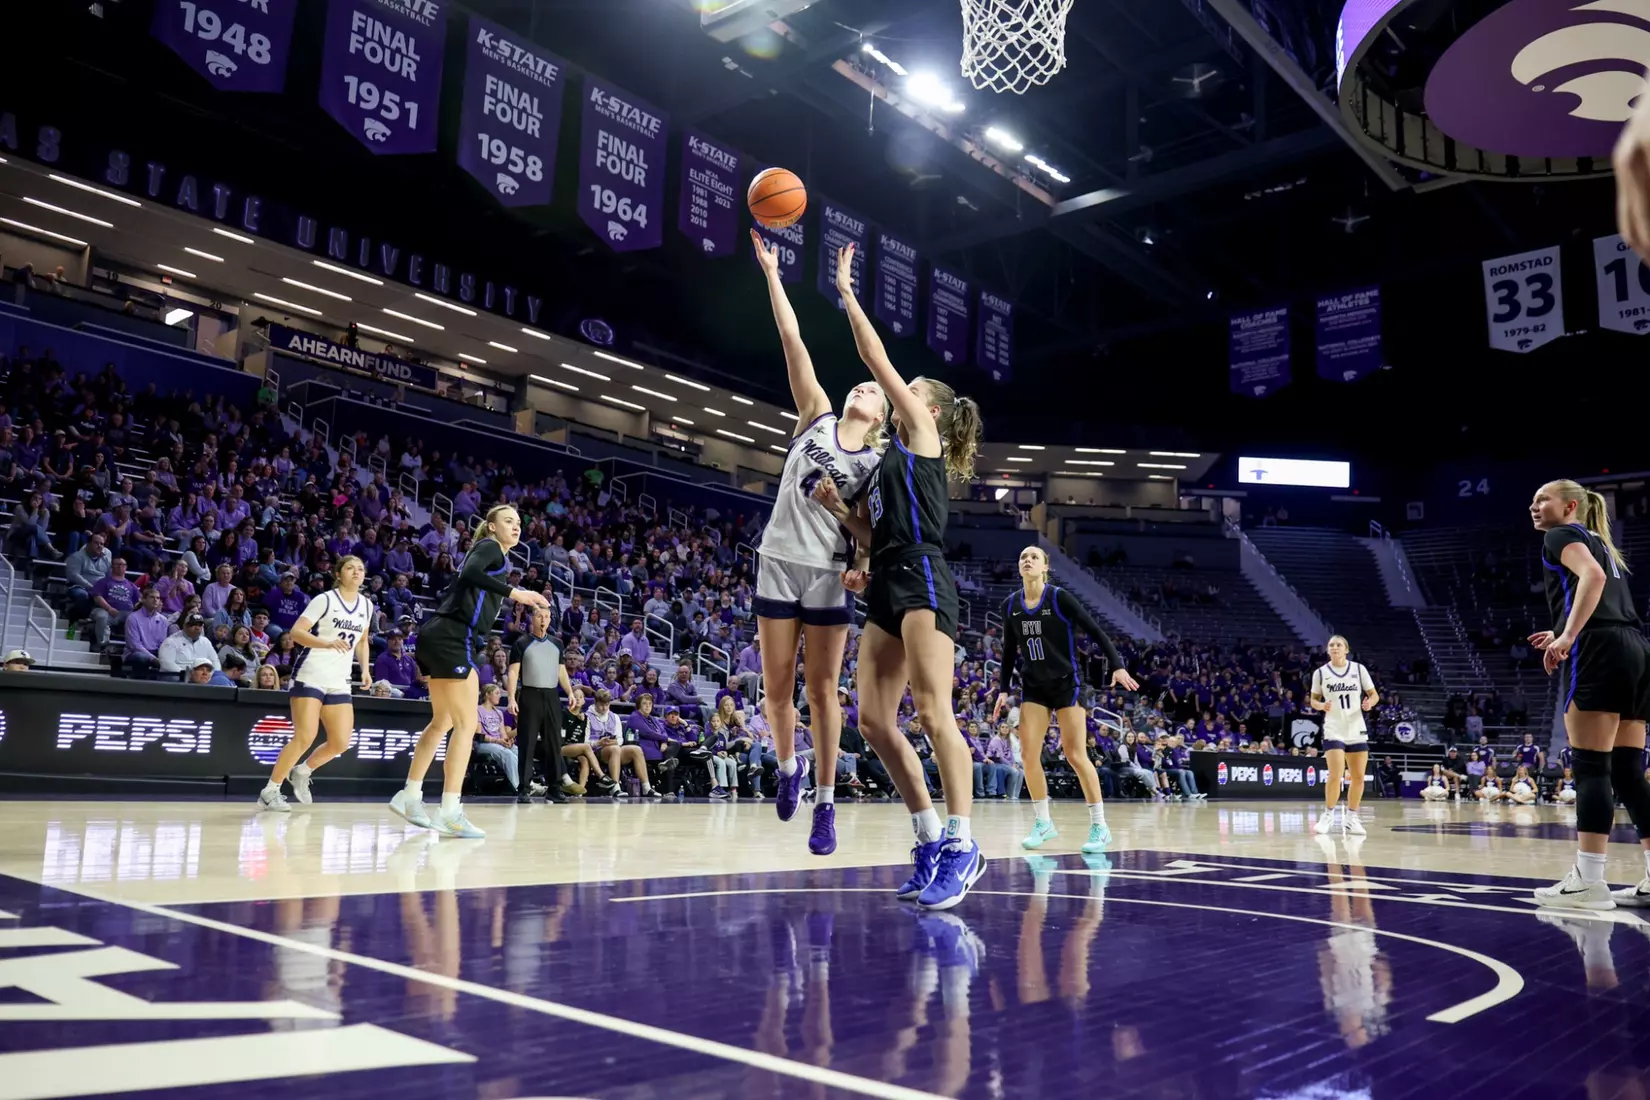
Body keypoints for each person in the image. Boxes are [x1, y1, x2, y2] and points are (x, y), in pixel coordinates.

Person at [812, 242, 985, 910]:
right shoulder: (887, 465)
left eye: (908, 390)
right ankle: (929, 836)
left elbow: (872, 356)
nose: (898, 392)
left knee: (934, 713)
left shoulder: (921, 436)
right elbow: (873, 533)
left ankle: (965, 844)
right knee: (874, 720)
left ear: (929, 411)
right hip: (886, 577)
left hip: (923, 575)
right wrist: (842, 516)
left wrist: (847, 293)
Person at [750, 229, 886, 856]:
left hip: (828, 575)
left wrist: (861, 562)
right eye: (862, 384)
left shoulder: (875, 466)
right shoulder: (817, 416)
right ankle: (789, 768)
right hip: (778, 562)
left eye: (873, 391)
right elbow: (792, 340)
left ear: (882, 417)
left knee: (821, 691)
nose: (863, 389)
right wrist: (773, 275)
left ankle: (826, 805)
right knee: (777, 692)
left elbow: (868, 536)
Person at [389, 505, 550, 838]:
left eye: (518, 523)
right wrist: (516, 593)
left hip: (438, 635)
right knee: (466, 724)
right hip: (454, 636)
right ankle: (450, 810)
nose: (516, 526)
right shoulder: (490, 548)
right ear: (491, 526)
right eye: (508, 521)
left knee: (443, 722)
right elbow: (470, 573)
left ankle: (410, 794)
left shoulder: (494, 555)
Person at [1526, 481, 1650, 910]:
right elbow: (1602, 593)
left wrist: (1567, 637)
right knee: (1629, 772)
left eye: (1543, 499)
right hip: (1635, 648)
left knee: (1592, 767)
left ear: (1570, 506)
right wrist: (1563, 628)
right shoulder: (1600, 541)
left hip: (1600, 650)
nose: (1534, 506)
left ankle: (1589, 882)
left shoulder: (1561, 535)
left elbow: (1591, 578)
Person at [991, 545, 1139, 854]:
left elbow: (1096, 631)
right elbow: (1008, 652)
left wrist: (1117, 665)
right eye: (1023, 557)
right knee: (1028, 755)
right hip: (1034, 686)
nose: (1027, 560)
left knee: (1074, 754)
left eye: (1034, 557)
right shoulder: (1010, 605)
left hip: (1067, 684)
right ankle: (1043, 822)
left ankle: (1100, 826)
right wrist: (1003, 689)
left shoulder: (1059, 598)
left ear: (1045, 567)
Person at [257, 556, 373, 812]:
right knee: (305, 736)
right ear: (338, 574)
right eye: (350, 568)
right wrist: (327, 643)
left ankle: (302, 771)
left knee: (341, 742)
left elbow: (363, 641)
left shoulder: (366, 605)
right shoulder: (325, 599)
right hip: (311, 672)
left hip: (339, 679)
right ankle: (270, 791)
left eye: (360, 569)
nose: (356, 572)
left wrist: (365, 669)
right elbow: (296, 633)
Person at [1310, 635, 1380, 836]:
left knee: (1358, 777)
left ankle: (1351, 818)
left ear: (1346, 649)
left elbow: (1374, 695)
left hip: (1356, 727)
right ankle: (1328, 815)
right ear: (1327, 650)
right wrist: (1321, 705)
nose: (1334, 647)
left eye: (1338, 645)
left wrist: (1369, 703)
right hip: (1334, 727)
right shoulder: (1320, 673)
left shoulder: (1358, 669)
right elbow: (1313, 700)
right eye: (1331, 645)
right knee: (1336, 774)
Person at [507, 606, 578, 804]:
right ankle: (524, 788)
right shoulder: (521, 643)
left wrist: (570, 692)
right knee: (527, 743)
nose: (544, 620)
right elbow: (513, 672)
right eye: (540, 616)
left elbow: (561, 671)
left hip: (552, 696)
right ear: (532, 618)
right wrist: (511, 698)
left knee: (554, 744)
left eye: (547, 616)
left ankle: (555, 788)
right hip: (530, 695)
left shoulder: (557, 644)